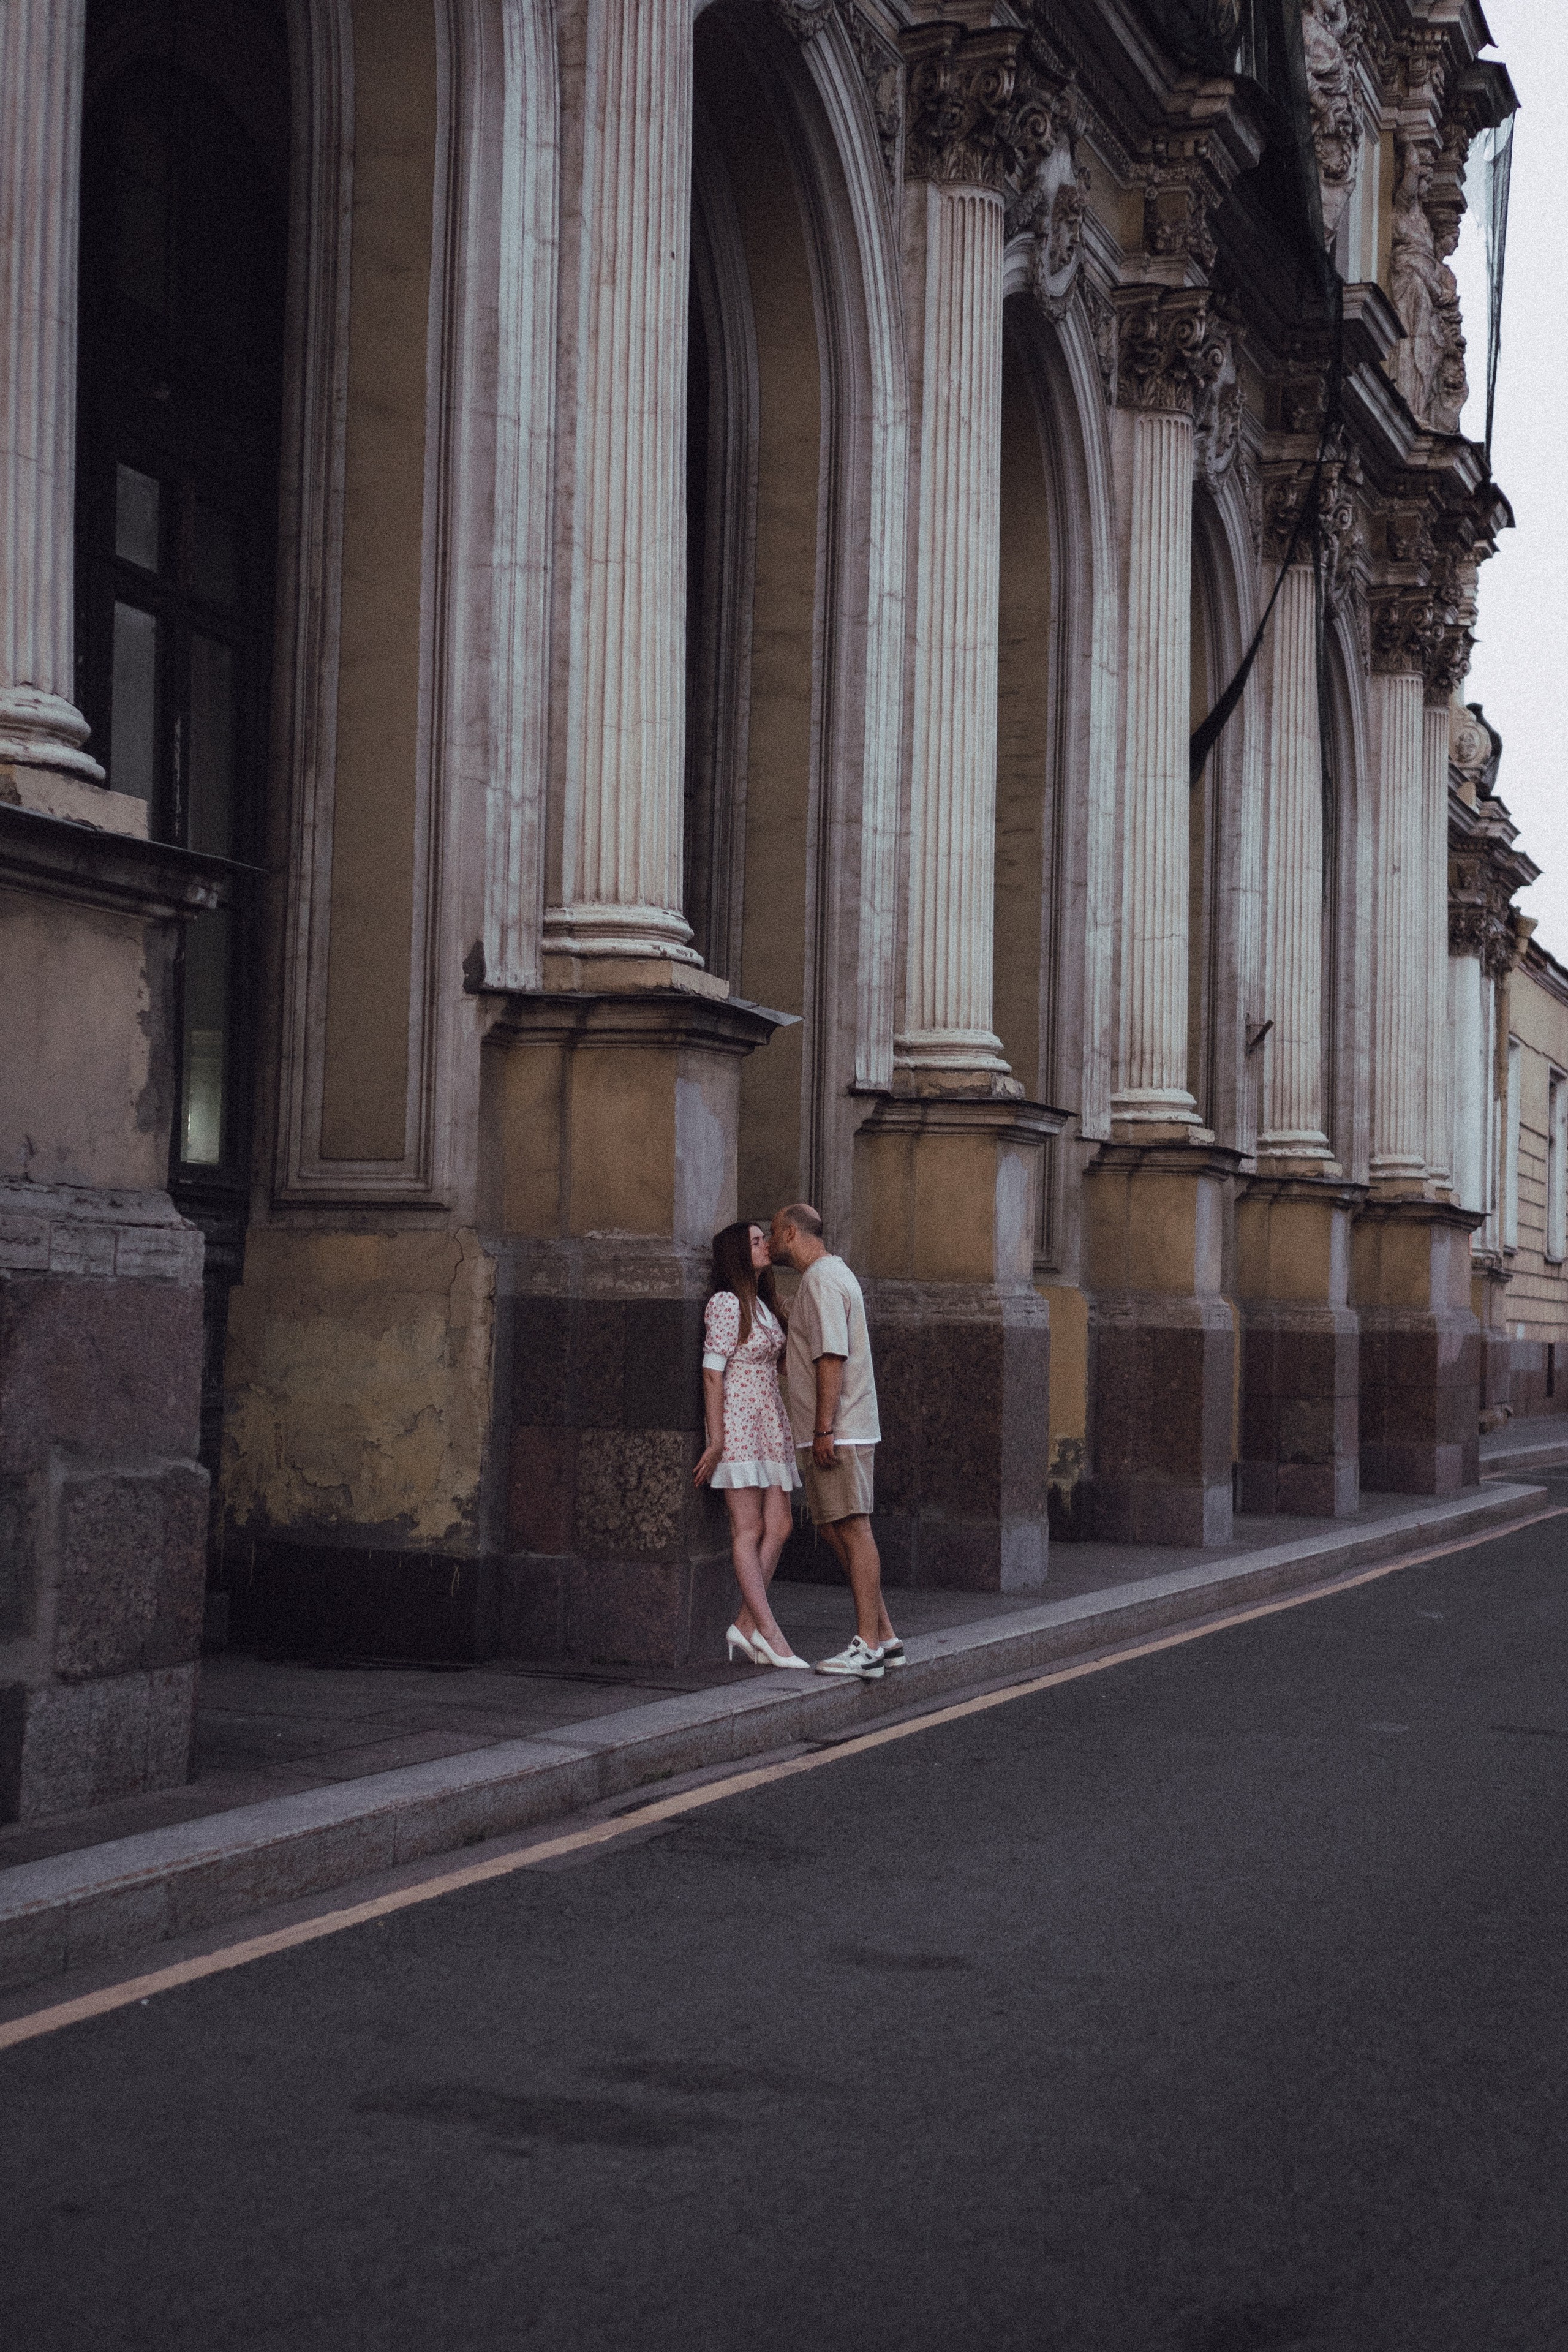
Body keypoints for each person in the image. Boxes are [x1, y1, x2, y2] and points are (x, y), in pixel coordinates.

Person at [768, 1202, 901, 1682]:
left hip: (838, 1429)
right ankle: (885, 1636)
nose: (768, 1242)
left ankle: (867, 1646)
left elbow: (832, 1357)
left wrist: (825, 1428)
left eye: (772, 1233)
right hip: (837, 1427)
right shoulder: (827, 1277)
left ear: (789, 1233)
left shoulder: (822, 1280)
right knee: (835, 1527)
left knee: (852, 1527)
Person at [693, 1220, 809, 1670]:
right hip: (739, 1423)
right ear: (739, 1254)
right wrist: (717, 1438)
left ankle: (745, 1626)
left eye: (764, 1239)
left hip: (769, 1421)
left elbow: (779, 1363)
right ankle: (771, 1634)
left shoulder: (761, 1304)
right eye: (757, 1242)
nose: (766, 1246)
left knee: (779, 1526)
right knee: (749, 1529)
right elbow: (712, 1372)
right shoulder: (725, 1304)